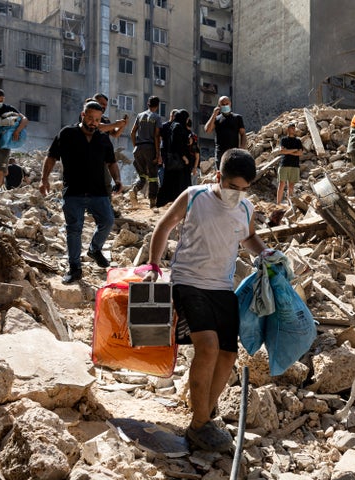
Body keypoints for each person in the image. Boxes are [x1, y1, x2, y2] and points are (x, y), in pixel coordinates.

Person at [142, 148, 268, 452]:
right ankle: (199, 424)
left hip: (222, 288)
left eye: (243, 189)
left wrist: (265, 253)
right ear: (218, 178)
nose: (236, 194)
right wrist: (153, 264)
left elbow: (248, 237)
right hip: (188, 282)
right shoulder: (194, 196)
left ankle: (203, 418)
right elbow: (164, 225)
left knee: (228, 355)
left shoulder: (246, 208)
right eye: (232, 186)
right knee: (208, 348)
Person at [39, 101, 121, 284]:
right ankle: (75, 268)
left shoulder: (102, 138)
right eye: (90, 118)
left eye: (97, 120)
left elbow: (111, 162)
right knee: (74, 230)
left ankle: (94, 249)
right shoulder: (67, 134)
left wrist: (118, 180)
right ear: (83, 115)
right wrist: (44, 179)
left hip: (98, 192)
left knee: (107, 221)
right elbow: (51, 157)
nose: (93, 123)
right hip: (73, 192)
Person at [156, 109, 192, 207]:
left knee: (171, 182)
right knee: (180, 183)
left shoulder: (175, 125)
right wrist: (184, 157)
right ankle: (180, 202)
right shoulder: (178, 127)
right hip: (178, 161)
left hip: (173, 160)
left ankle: (170, 202)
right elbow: (176, 144)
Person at [130, 96, 163, 207]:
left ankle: (135, 189)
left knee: (142, 175)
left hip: (138, 148)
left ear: (148, 104)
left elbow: (132, 132)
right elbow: (156, 136)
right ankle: (152, 202)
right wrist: (158, 154)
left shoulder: (139, 115)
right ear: (157, 106)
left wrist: (135, 147)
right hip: (150, 148)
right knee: (153, 177)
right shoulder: (157, 117)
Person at [204, 96, 246, 170]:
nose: (225, 105)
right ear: (219, 106)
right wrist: (214, 115)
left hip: (233, 152)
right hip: (220, 153)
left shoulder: (237, 118)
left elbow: (243, 134)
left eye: (227, 103)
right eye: (223, 104)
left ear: (230, 104)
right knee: (221, 174)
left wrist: (242, 148)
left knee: (233, 172)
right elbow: (207, 130)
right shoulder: (216, 119)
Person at [276, 123, 303, 205]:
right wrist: (294, 150)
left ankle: (289, 204)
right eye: (292, 128)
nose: (294, 130)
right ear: (287, 129)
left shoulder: (298, 141)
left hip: (295, 165)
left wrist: (288, 151)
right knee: (281, 185)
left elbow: (300, 153)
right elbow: (282, 151)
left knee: (291, 186)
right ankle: (278, 204)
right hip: (284, 164)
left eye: (294, 128)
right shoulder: (283, 140)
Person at [187, 117, 201, 185]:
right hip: (189, 167)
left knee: (192, 184)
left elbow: (197, 157)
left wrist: (195, 168)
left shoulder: (194, 146)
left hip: (194, 167)